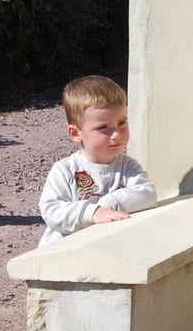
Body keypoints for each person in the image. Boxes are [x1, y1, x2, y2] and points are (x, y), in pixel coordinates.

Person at [38, 75, 155, 247]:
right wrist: (92, 212)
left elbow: (147, 193)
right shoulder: (66, 170)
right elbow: (52, 211)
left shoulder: (127, 166)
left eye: (122, 123)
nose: (116, 134)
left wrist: (109, 204)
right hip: (64, 255)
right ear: (75, 133)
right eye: (103, 128)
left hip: (106, 251)